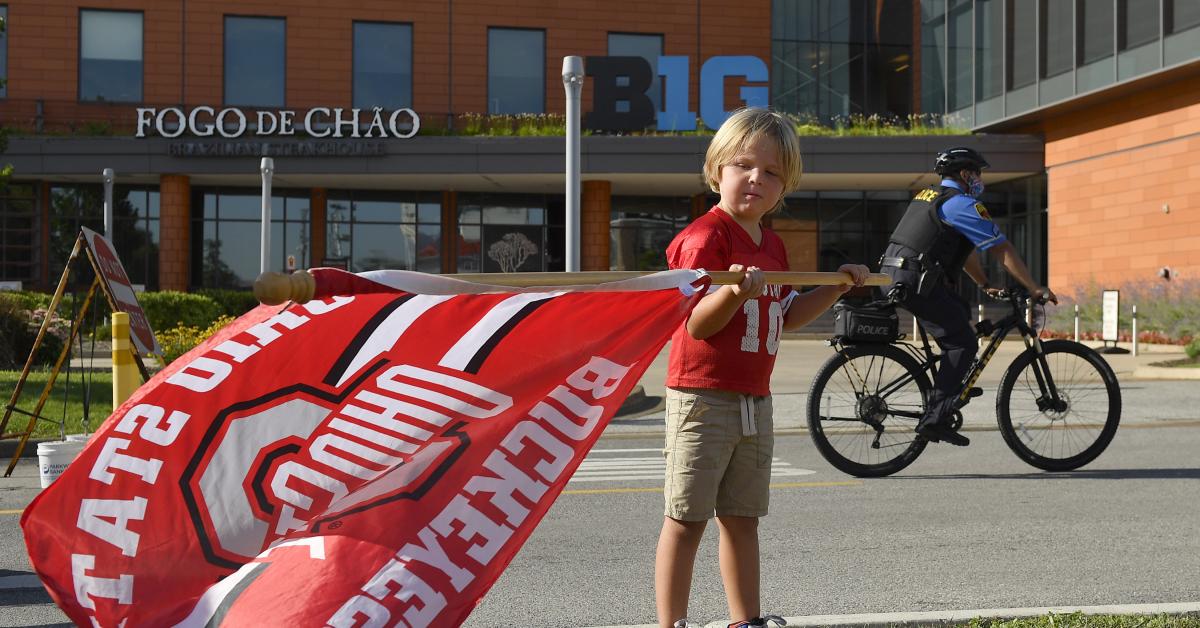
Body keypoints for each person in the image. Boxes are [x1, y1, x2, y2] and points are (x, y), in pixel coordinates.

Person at [655, 107, 870, 628]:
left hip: (755, 398)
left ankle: (744, 620)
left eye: (772, 172)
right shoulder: (706, 238)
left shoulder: (772, 245)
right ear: (716, 170)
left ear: (786, 184)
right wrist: (733, 290)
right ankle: (670, 625)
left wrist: (836, 285)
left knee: (742, 518)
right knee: (686, 519)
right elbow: (697, 326)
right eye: (744, 165)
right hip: (702, 396)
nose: (757, 178)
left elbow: (787, 315)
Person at [879, 146, 1058, 447]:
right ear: (965, 174)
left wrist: (985, 283)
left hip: (895, 276)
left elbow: (966, 252)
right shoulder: (962, 204)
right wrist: (1033, 287)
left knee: (959, 316)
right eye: (977, 173)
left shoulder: (930, 197)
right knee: (962, 342)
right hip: (915, 280)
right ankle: (936, 417)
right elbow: (1001, 248)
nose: (980, 179)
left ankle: (950, 387)